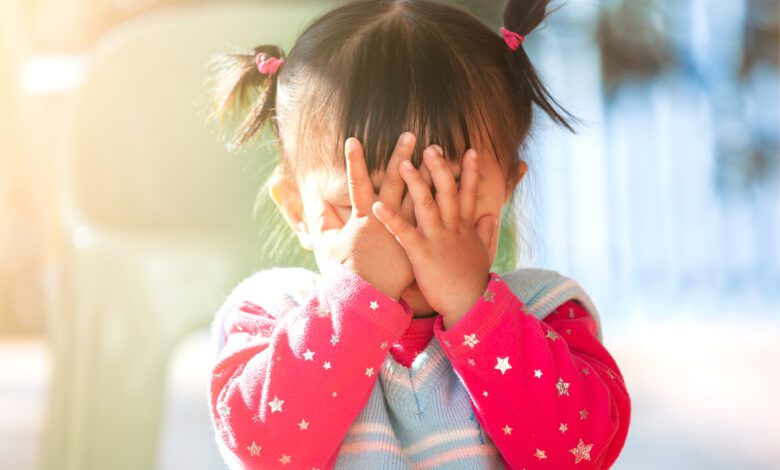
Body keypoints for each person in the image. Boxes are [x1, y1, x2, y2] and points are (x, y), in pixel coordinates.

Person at [206, 0, 631, 468]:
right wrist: (357, 299)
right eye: (357, 207)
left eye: (444, 199)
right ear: (297, 210)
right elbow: (264, 450)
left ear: (506, 189)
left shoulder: (543, 312)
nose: (403, 239)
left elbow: (581, 452)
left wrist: (475, 307)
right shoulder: (273, 316)